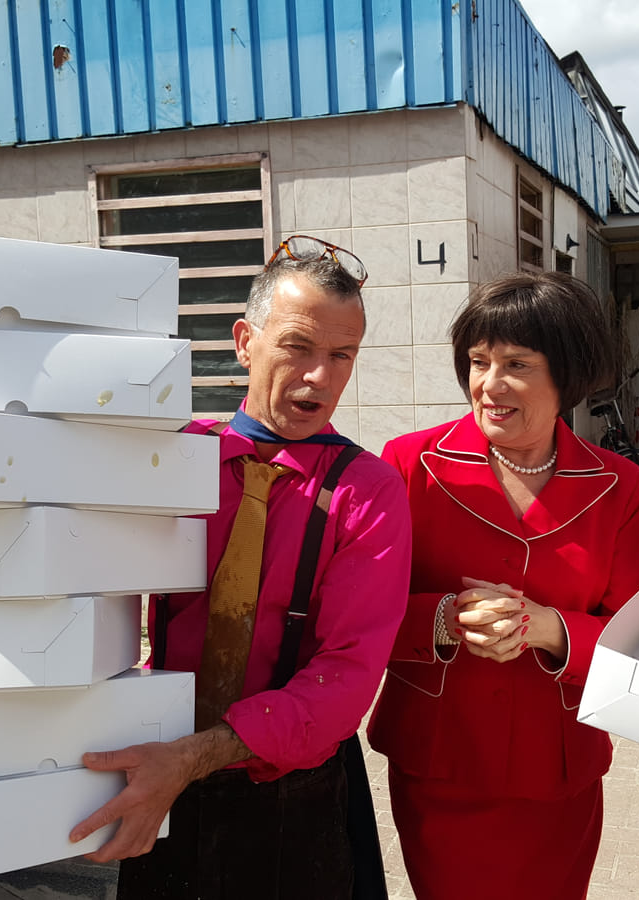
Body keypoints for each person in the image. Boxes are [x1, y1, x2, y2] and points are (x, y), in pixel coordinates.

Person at [68, 236, 413, 900]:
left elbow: (345, 680)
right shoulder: (172, 459)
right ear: (245, 341)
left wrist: (194, 757)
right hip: (157, 772)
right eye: (298, 347)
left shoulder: (367, 492)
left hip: (289, 796)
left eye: (342, 355)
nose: (320, 377)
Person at [367, 271, 639, 900]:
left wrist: (552, 629)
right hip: (440, 761)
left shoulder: (620, 486)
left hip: (557, 767)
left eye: (516, 365)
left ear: (567, 375)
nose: (489, 385)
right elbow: (363, 613)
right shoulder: (410, 465)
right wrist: (443, 619)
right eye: (479, 362)